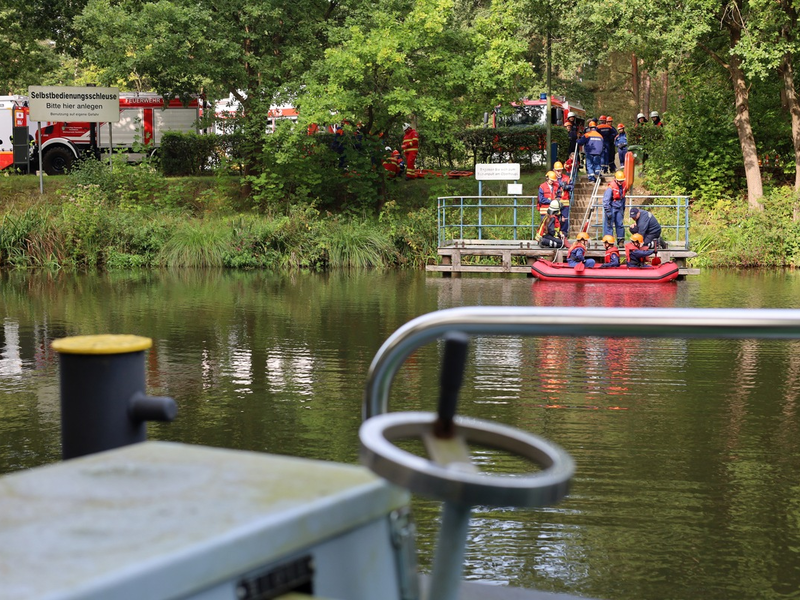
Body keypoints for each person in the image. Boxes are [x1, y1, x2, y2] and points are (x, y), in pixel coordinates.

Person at [603, 170, 628, 247]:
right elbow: (606, 200)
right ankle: (609, 242)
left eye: (622, 181)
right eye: (619, 181)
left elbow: (623, 198)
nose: (621, 182)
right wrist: (608, 211)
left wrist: (623, 209)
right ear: (616, 180)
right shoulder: (610, 188)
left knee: (620, 224)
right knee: (609, 225)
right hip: (611, 208)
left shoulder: (623, 186)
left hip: (619, 208)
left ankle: (620, 241)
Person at [553, 161, 573, 235]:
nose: (559, 172)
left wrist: (566, 187)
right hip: (555, 202)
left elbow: (572, 187)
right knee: (555, 219)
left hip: (565, 202)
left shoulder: (566, 178)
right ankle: (556, 234)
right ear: (554, 170)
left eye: (560, 170)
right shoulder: (552, 178)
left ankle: (564, 234)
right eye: (557, 171)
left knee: (565, 219)